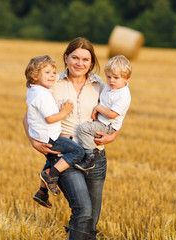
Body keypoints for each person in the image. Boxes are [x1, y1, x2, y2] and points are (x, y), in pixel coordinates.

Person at [23, 37, 119, 239]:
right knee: (82, 211)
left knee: (91, 219)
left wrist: (113, 136)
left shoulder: (100, 85)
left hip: (95, 156)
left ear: (91, 62)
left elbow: (117, 112)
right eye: (75, 57)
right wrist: (34, 142)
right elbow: (28, 115)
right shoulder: (51, 82)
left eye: (85, 59)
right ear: (66, 58)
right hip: (64, 155)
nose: (79, 63)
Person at [24, 55, 85, 206]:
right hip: (50, 136)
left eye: (54, 72)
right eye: (48, 73)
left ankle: (42, 192)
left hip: (42, 135)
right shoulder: (42, 95)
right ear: (34, 75)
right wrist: (65, 112)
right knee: (78, 152)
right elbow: (50, 118)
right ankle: (51, 174)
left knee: (53, 159)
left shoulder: (34, 89)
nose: (53, 76)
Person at [75, 55, 132, 171]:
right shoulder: (110, 87)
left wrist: (98, 108)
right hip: (102, 121)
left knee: (82, 129)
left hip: (107, 126)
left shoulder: (122, 95)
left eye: (116, 78)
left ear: (127, 78)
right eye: (108, 77)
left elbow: (112, 114)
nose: (111, 80)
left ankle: (89, 158)